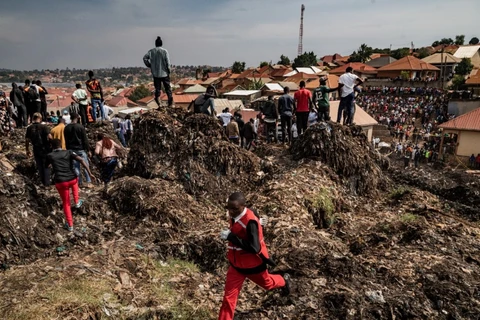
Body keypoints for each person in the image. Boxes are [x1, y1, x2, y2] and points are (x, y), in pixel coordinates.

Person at [218, 192, 290, 320]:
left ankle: (284, 281)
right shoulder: (237, 214)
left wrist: (231, 237)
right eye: (229, 208)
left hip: (253, 266)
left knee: (268, 284)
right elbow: (253, 216)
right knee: (228, 299)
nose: (231, 211)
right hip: (236, 267)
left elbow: (255, 248)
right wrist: (259, 222)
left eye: (235, 209)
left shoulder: (250, 222)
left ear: (243, 206)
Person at [46, 139, 95, 231]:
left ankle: (70, 225)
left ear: (51, 146)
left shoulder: (50, 155)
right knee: (75, 181)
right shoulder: (68, 152)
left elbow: (46, 166)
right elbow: (81, 159)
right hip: (72, 179)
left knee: (66, 203)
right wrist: (90, 173)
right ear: (61, 145)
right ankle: (76, 202)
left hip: (61, 182)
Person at [64, 113, 93, 188]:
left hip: (71, 149)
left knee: (76, 167)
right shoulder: (80, 127)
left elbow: (66, 140)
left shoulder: (66, 128)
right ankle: (88, 182)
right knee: (86, 165)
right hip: (80, 149)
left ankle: (79, 182)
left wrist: (68, 150)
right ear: (77, 118)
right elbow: (84, 139)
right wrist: (88, 150)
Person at [143, 36, 172, 108]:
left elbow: (144, 58)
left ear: (155, 44)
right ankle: (170, 101)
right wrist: (169, 71)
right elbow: (168, 62)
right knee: (167, 88)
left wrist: (150, 65)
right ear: (161, 43)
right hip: (164, 73)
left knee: (158, 89)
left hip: (156, 74)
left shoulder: (151, 51)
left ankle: (159, 102)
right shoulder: (165, 51)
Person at [25, 113, 52, 186]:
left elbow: (27, 140)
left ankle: (43, 182)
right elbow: (50, 137)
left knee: (39, 166)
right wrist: (52, 146)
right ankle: (47, 183)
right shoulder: (44, 127)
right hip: (45, 149)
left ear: (33, 118)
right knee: (46, 165)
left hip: (36, 148)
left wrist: (27, 150)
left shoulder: (29, 128)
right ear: (40, 118)